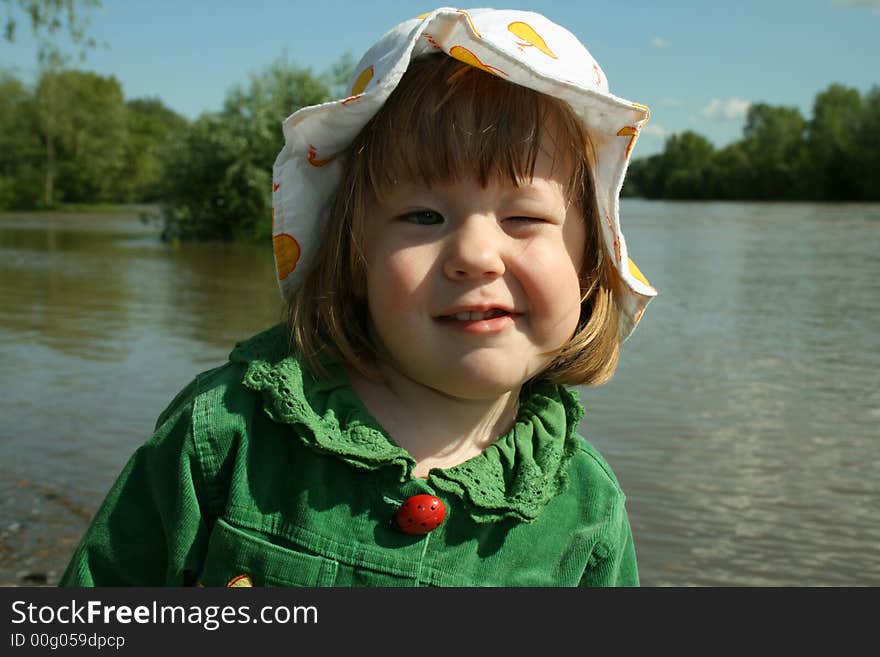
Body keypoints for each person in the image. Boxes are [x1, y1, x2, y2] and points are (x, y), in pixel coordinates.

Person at [60, 7, 657, 587]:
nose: (475, 254)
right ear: (353, 257)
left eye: (524, 218)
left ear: (589, 260)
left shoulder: (588, 512)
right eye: (423, 216)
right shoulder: (228, 433)